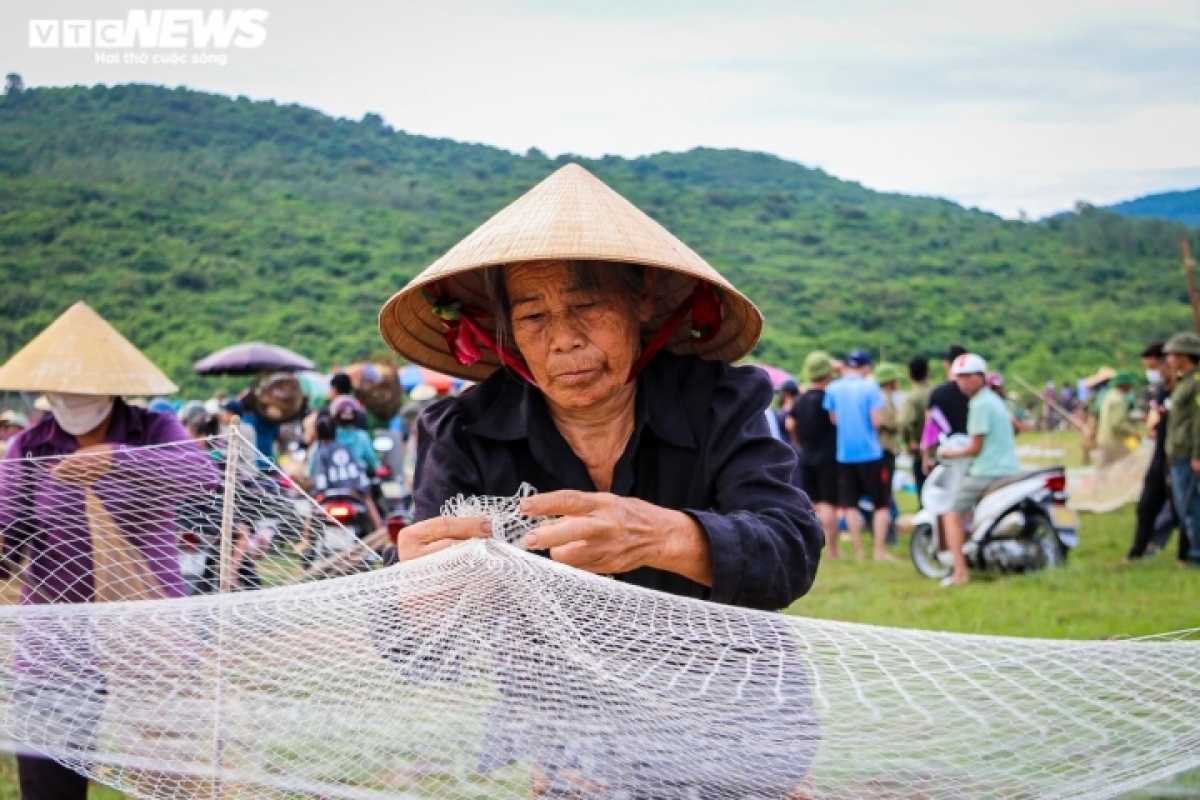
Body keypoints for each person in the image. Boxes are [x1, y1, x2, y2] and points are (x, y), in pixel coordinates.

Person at [379, 164, 821, 795]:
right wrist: (413, 599)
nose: (564, 340)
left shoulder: (721, 401)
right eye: (533, 317)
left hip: (737, 721)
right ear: (504, 332)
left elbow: (791, 550)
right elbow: (422, 657)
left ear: (642, 302)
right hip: (574, 743)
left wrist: (662, 536)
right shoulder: (465, 433)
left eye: (586, 305)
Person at [0, 301, 217, 800]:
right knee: (49, 783)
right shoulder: (30, 446)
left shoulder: (152, 431)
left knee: (171, 780)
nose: (75, 400)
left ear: (113, 388)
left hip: (148, 631)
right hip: (56, 640)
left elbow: (200, 476)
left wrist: (117, 461)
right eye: (64, 391)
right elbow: (11, 533)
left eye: (87, 391)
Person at [938, 353, 1022, 586]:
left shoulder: (978, 405)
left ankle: (960, 573)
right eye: (960, 377)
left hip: (987, 470)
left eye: (968, 377)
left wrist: (948, 452)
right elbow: (1017, 428)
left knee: (951, 515)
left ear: (981, 377)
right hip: (1010, 467)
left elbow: (975, 448)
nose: (964, 382)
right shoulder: (995, 400)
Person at [823, 349, 891, 561]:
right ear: (867, 367)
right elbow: (876, 421)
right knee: (880, 504)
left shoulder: (833, 387)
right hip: (870, 453)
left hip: (845, 454)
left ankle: (858, 552)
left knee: (850, 505)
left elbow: (833, 420)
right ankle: (879, 551)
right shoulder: (871, 387)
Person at [1127, 343, 1183, 561]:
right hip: (1160, 453)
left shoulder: (1184, 388)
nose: (1152, 373)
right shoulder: (1161, 390)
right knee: (1146, 505)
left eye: (1153, 367)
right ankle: (1137, 552)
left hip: (1179, 454)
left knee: (1181, 509)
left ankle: (1186, 556)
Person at [792, 351, 840, 558]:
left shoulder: (800, 400)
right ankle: (832, 550)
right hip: (828, 457)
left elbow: (790, 423)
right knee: (828, 503)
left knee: (811, 504)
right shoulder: (829, 399)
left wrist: (799, 442)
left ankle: (810, 547)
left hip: (807, 455)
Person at [1163, 332, 1200, 568]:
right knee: (1185, 508)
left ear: (1185, 356)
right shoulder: (1184, 382)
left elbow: (1199, 421)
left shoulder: (1196, 383)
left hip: (1188, 454)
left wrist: (1197, 455)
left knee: (1191, 508)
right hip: (1178, 452)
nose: (1169, 360)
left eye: (1173, 355)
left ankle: (1197, 556)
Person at [924, 345, 969, 475]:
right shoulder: (976, 393)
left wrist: (926, 457)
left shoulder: (938, 393)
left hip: (947, 455)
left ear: (946, 364)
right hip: (974, 456)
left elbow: (930, 429)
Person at [899, 356, 932, 500]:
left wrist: (909, 440)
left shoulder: (913, 397)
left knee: (924, 489)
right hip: (940, 449)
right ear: (928, 373)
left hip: (919, 449)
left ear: (909, 373)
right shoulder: (936, 392)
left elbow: (904, 421)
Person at [1096, 372, 1139, 466]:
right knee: (1130, 463)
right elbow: (1117, 423)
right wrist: (1132, 432)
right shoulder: (1118, 400)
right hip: (1114, 440)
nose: (1131, 388)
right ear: (1124, 385)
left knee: (1104, 468)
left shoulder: (1110, 395)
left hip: (1105, 438)